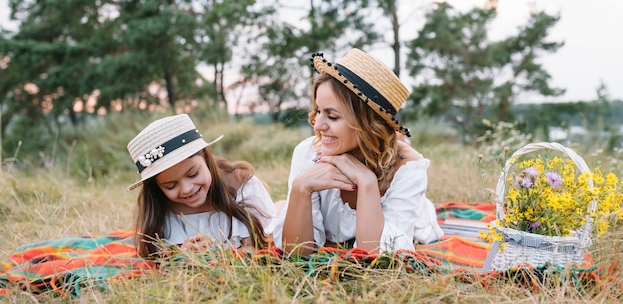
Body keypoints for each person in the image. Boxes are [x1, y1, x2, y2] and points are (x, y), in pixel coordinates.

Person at [273, 48, 443, 256]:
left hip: (414, 219)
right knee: (282, 210)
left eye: (332, 116)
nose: (317, 125)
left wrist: (366, 181)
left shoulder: (407, 167)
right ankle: (281, 205)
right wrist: (300, 188)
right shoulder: (308, 153)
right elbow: (297, 253)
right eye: (318, 111)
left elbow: (376, 256)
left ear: (368, 124)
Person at [126, 113, 276, 258]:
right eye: (170, 186)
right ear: (157, 188)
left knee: (280, 212)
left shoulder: (241, 183)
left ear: (206, 157)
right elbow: (157, 254)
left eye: (193, 174)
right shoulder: (160, 208)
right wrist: (183, 252)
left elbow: (266, 240)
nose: (186, 189)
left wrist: (230, 253)